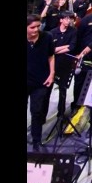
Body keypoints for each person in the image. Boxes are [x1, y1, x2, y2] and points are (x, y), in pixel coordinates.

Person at [27, 14, 55, 151]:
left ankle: (36, 141)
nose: (36, 30)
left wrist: (52, 73)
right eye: (32, 27)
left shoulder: (47, 37)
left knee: (37, 111)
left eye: (38, 26)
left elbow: (51, 56)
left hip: (40, 81)